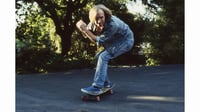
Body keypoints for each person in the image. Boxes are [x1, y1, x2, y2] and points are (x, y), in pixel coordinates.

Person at [76, 4, 134, 94]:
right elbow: (87, 33)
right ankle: (106, 84)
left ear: (105, 15)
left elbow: (98, 42)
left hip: (125, 41)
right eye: (96, 19)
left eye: (101, 18)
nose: (99, 21)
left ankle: (97, 86)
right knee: (96, 58)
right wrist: (82, 28)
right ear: (92, 18)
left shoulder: (113, 25)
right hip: (114, 41)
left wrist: (85, 30)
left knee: (103, 57)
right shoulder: (94, 22)